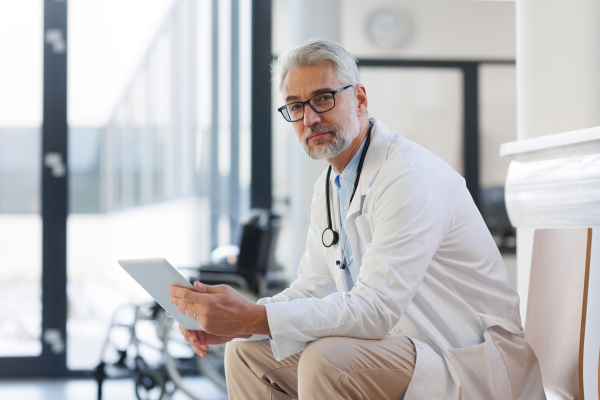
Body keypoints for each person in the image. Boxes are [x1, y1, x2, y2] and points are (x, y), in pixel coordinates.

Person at [169, 38, 545, 399]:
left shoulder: (409, 179)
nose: (310, 118)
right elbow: (313, 287)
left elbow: (376, 308)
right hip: (405, 348)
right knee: (248, 353)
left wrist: (252, 318)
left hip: (467, 360)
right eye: (295, 106)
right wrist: (241, 323)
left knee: (327, 361)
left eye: (322, 99)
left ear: (359, 98)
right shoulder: (332, 184)